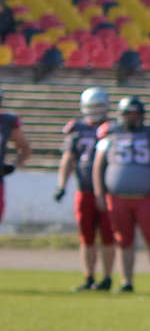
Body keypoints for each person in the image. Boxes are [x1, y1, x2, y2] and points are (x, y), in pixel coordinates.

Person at [93, 96, 150, 294]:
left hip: (144, 198)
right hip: (116, 197)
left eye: (135, 114)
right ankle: (126, 282)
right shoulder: (110, 134)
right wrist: (99, 193)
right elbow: (98, 166)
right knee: (123, 241)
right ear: (121, 115)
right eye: (128, 114)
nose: (132, 118)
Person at [55, 85, 113, 291]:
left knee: (108, 236)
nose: (95, 110)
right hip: (84, 189)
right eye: (92, 106)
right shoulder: (76, 129)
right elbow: (68, 159)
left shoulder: (113, 128)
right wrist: (61, 185)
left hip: (108, 192)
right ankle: (89, 277)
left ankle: (106, 278)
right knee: (86, 237)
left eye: (99, 105)